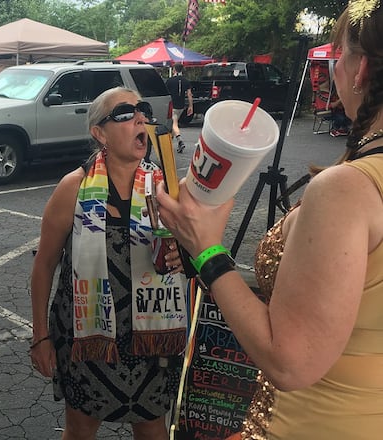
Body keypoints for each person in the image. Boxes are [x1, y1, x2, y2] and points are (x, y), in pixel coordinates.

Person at [155, 2, 383, 438]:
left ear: (361, 70)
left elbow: (290, 362)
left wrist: (207, 251)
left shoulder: (347, 189)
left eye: (339, 55)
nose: (333, 68)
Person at [30, 86, 188, 440]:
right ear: (99, 133)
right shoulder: (73, 188)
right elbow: (44, 265)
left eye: (142, 110)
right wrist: (40, 336)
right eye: (124, 113)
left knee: (151, 428)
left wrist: (185, 257)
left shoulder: (167, 189)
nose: (139, 118)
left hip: (152, 339)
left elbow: (198, 255)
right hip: (88, 337)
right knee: (81, 427)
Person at [164, 63, 193, 153]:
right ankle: (171, 144)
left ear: (174, 70)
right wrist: (191, 106)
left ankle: (180, 140)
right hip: (181, 106)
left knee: (174, 124)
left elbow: (166, 93)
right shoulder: (186, 81)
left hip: (172, 105)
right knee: (174, 124)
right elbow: (189, 94)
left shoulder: (169, 81)